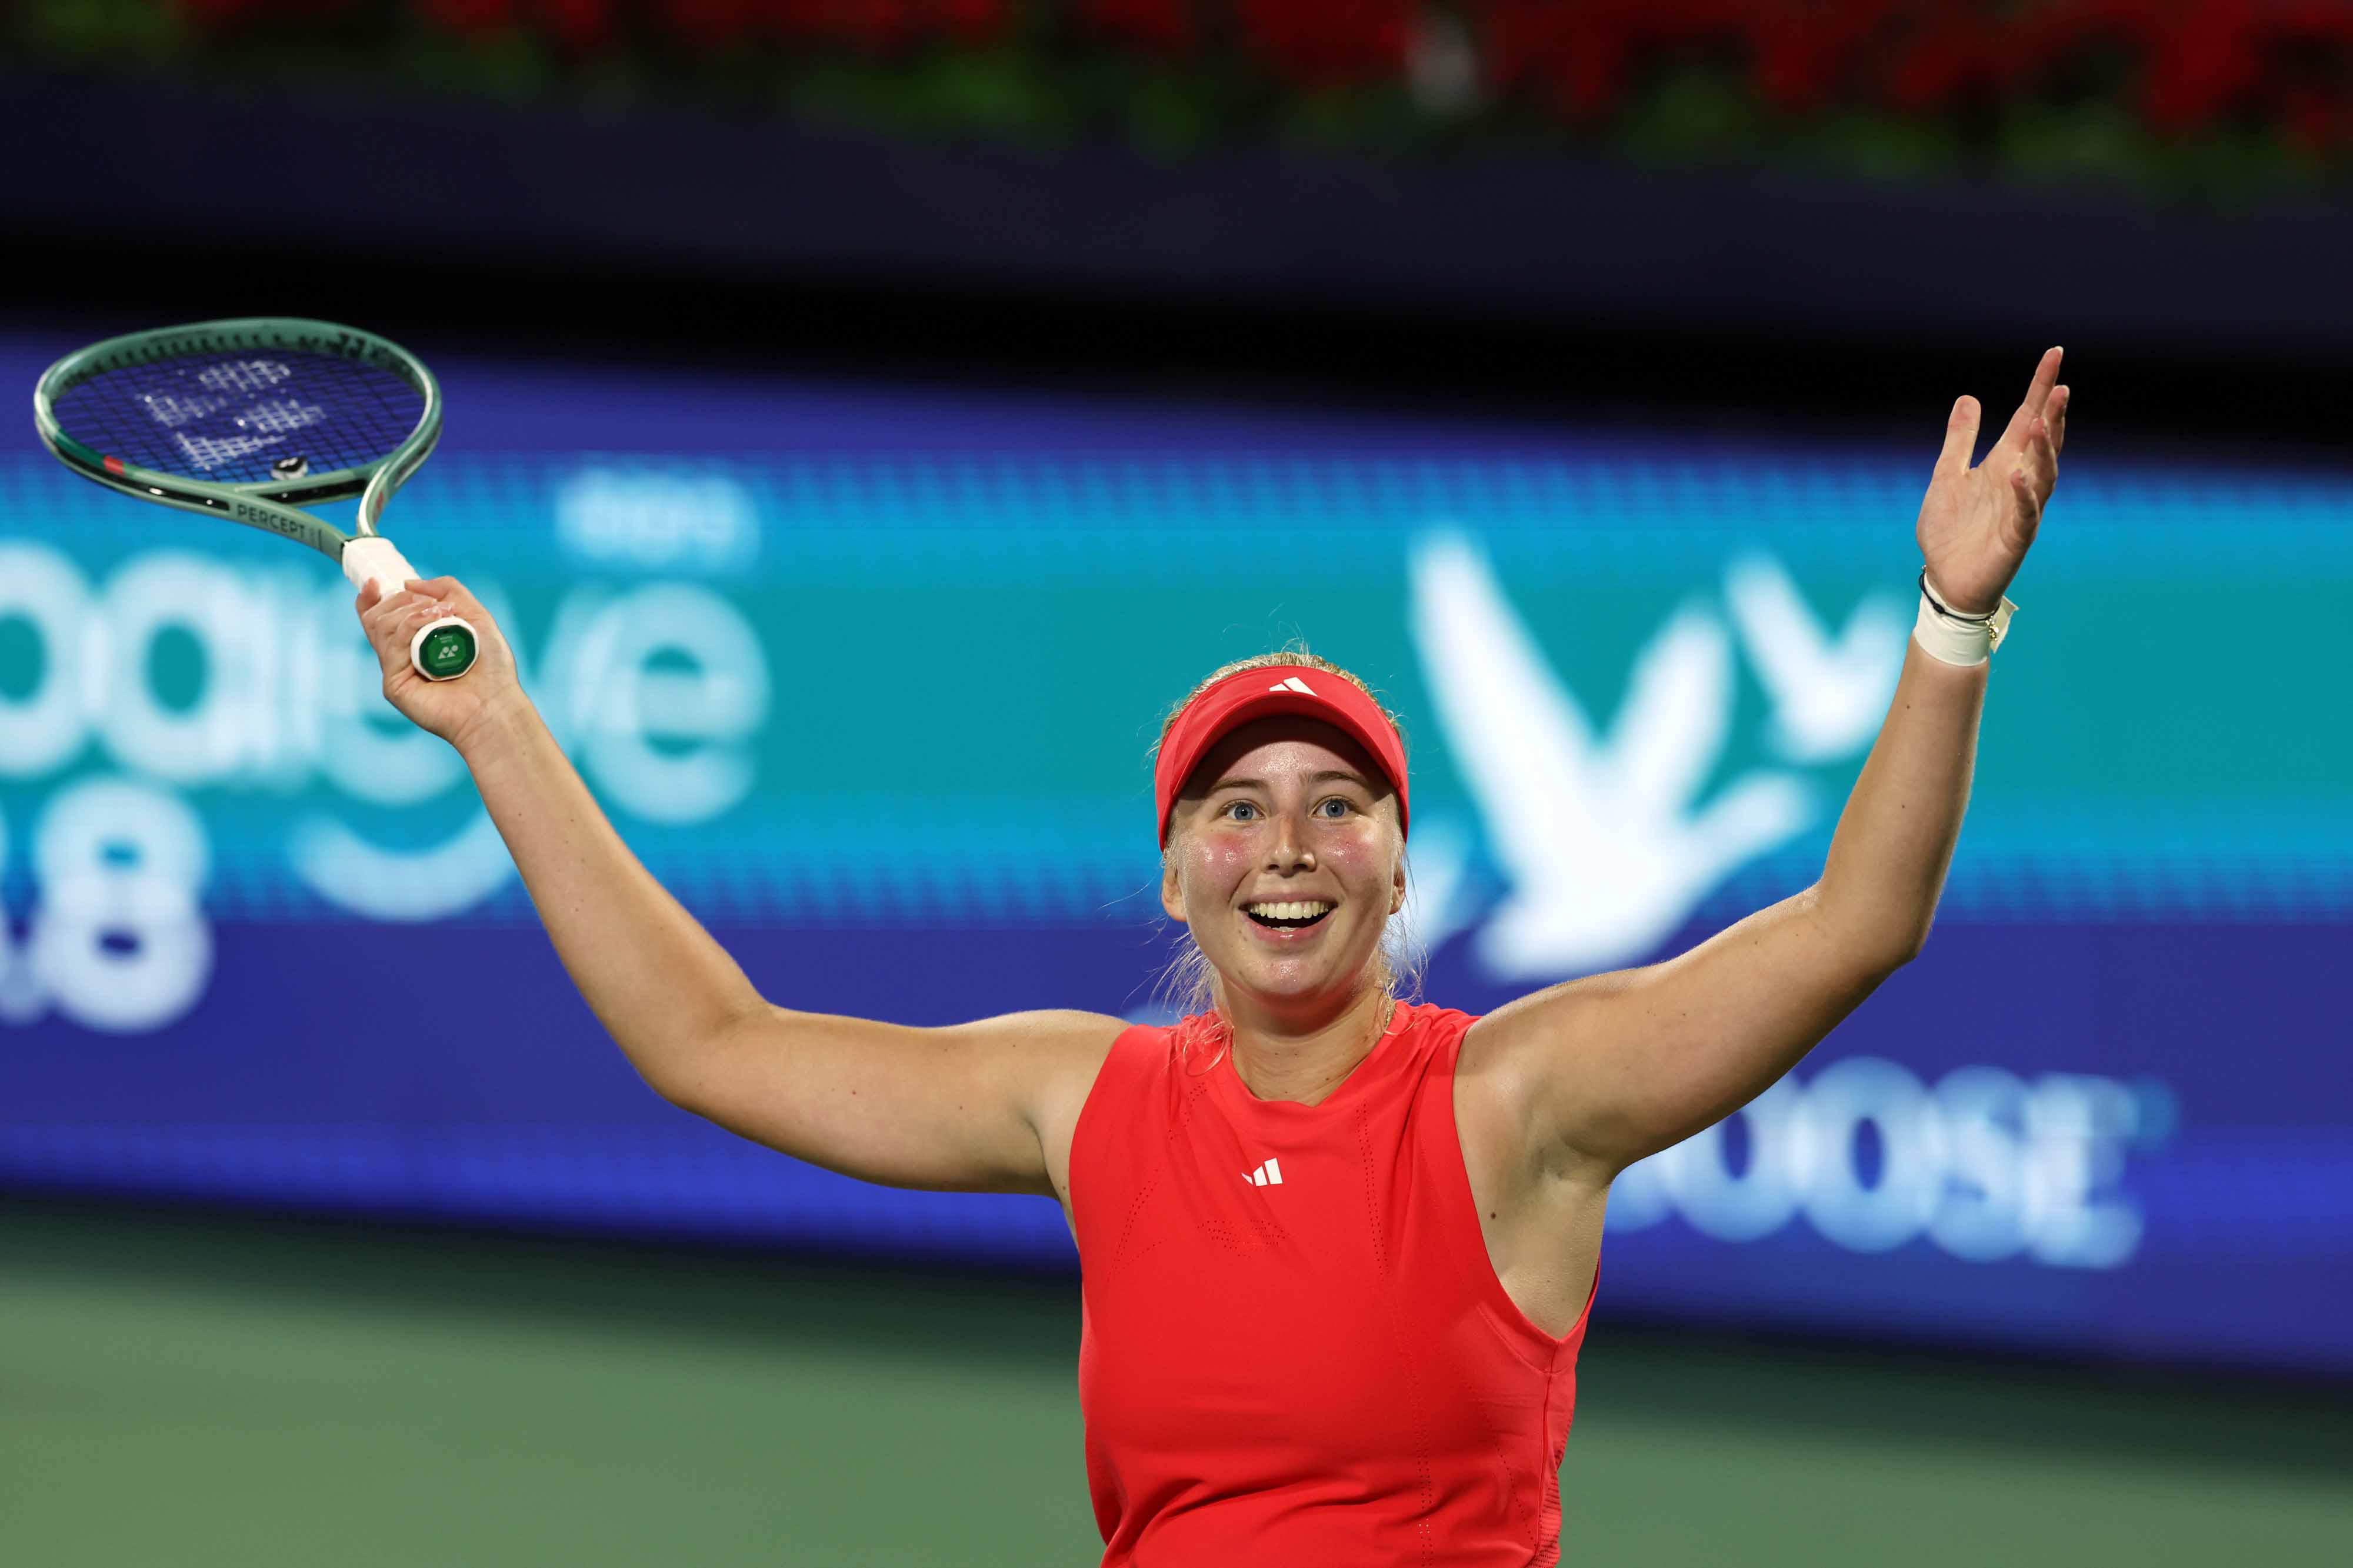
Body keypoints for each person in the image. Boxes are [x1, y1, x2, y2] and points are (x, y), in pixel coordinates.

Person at [355, 349, 2068, 1566]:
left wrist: (1950, 623)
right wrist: (500, 722)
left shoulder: (1518, 1101)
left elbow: (1859, 923)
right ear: (1174, 874)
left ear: (1403, 866)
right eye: (1236, 812)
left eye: (1339, 807)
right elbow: (710, 1041)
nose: (1290, 849)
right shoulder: (1084, 1098)